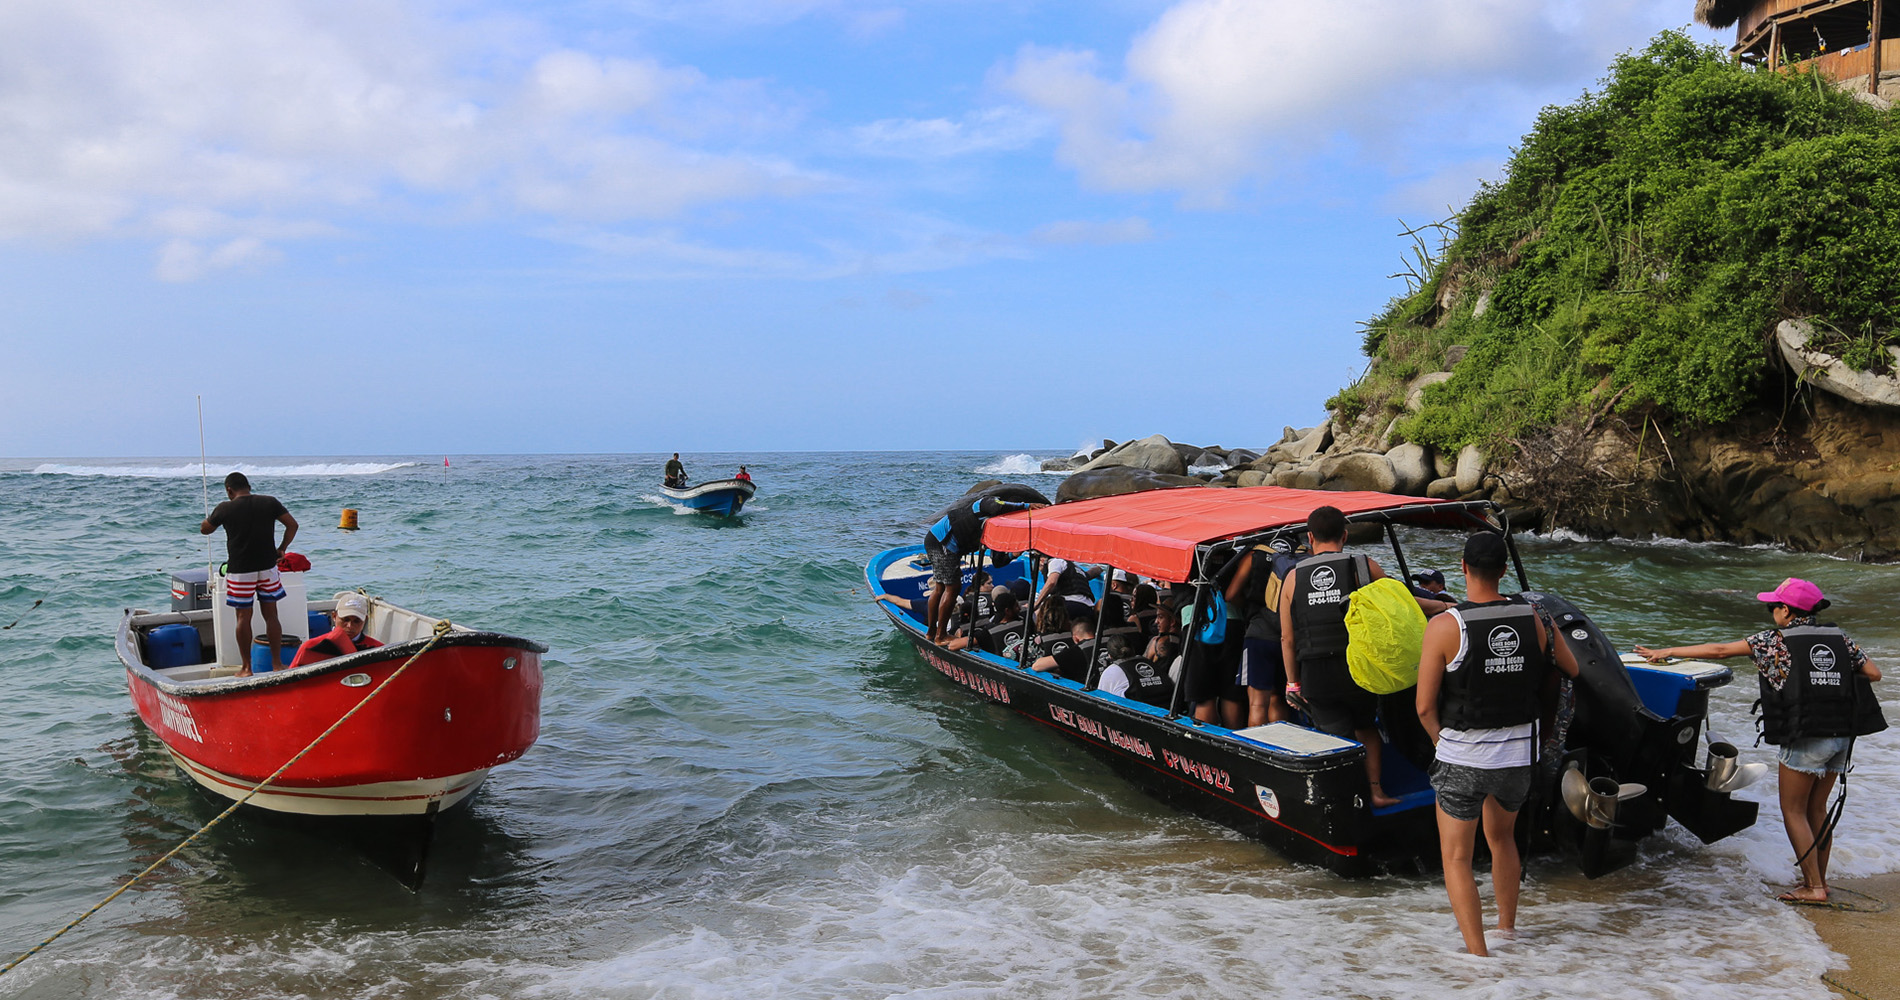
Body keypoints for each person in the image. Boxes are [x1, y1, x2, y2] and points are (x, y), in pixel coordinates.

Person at [1634, 577, 1883, 906]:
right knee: (1817, 809)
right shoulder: (1840, 639)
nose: (1771, 613)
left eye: (1773, 607)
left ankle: (1814, 888)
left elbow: (1720, 651)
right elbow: (1874, 673)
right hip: (1842, 736)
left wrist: (1666, 652)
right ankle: (1818, 880)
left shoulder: (1774, 641)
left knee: (1793, 810)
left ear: (1785, 611)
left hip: (1806, 735)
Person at [1416, 532, 1580, 957]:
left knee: (1456, 858)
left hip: (1461, 757)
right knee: (1502, 839)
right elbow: (1571, 667)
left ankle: (1479, 956)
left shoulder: (1445, 625)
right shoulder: (1537, 617)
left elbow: (1423, 706)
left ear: (1463, 568)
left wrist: (1442, 743)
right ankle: (1507, 928)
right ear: (1504, 570)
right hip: (1517, 755)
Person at [1279, 506, 1452, 806]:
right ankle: (1375, 792)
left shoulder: (1292, 579)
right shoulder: (1364, 566)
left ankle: (1344, 801)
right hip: (1360, 669)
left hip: (1316, 673)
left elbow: (1288, 637)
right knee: (1366, 727)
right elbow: (1400, 608)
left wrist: (1292, 683)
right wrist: (1444, 608)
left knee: (1333, 740)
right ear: (1344, 535)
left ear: (1310, 538)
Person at [200, 472, 298, 677]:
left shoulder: (225, 508)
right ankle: (277, 664)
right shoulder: (269, 502)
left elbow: (205, 530)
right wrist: (282, 548)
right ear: (248, 485)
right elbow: (292, 524)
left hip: (240, 570)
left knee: (243, 617)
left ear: (229, 490)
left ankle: (246, 668)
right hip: (268, 566)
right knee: (272, 615)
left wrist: (206, 519)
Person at [922, 495, 1044, 643]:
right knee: (952, 588)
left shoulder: (1000, 530)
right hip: (941, 542)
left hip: (940, 542)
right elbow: (997, 506)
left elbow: (998, 561)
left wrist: (1013, 554)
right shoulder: (985, 503)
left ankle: (931, 633)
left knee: (941, 588)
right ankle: (940, 635)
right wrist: (1026, 506)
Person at [1224, 537, 1299, 727]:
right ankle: (1281, 750)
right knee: (1279, 699)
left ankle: (1255, 753)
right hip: (1291, 635)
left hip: (1259, 633)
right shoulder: (1301, 553)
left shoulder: (1255, 554)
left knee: (1258, 704)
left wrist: (1251, 609)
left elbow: (1231, 595)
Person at [290, 592, 385, 667]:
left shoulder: (379, 650)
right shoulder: (310, 647)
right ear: (334, 616)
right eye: (345, 619)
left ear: (365, 620)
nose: (350, 626)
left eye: (356, 621)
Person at [1099, 634, 1175, 707]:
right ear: (1133, 649)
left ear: (1110, 656)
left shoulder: (1111, 671)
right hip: (1166, 712)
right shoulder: (1150, 663)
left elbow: (1100, 701)